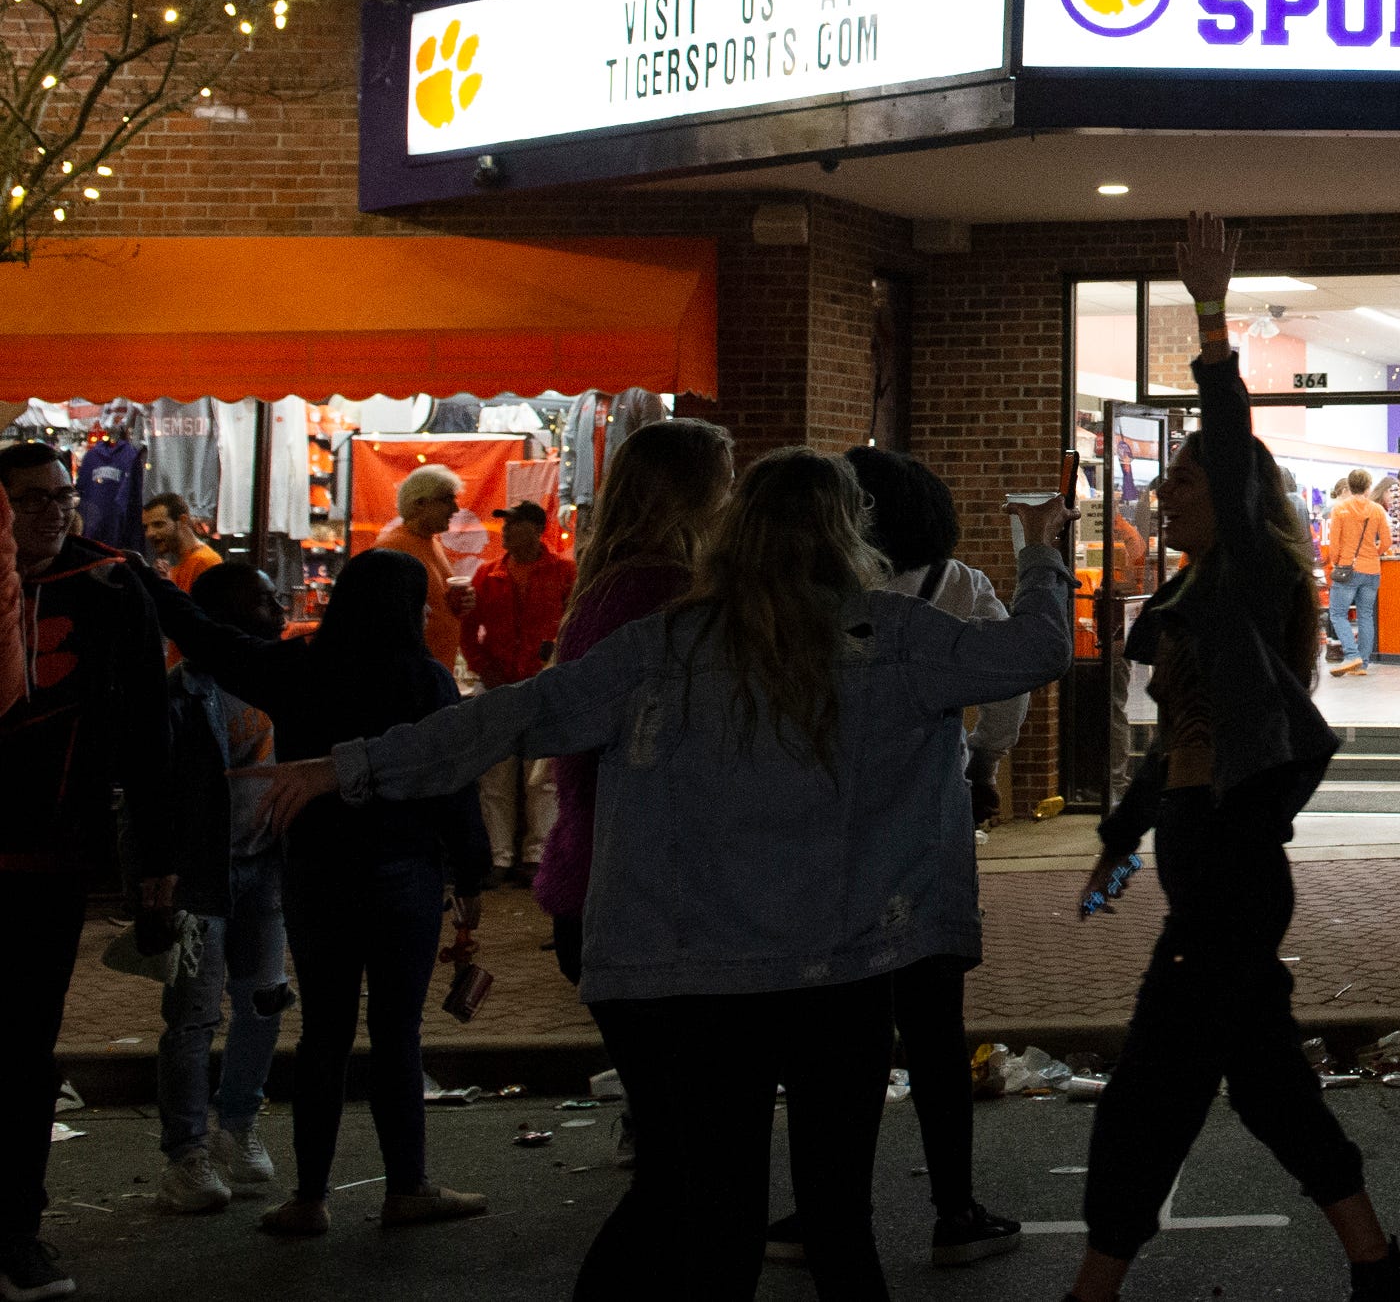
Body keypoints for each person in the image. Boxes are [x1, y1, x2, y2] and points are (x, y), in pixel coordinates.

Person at [261, 446, 1074, 1302]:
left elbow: (510, 716)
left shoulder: (666, 645)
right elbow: (1037, 649)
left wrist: (346, 767)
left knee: (715, 1217)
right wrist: (1038, 547)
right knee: (839, 1222)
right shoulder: (894, 635)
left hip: (703, 973)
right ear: (846, 533)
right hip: (846, 967)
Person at [1071, 213, 1400, 1302]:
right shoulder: (1188, 600)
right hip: (1204, 856)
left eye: (1181, 484)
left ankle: (1093, 1287)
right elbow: (1174, 746)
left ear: (1228, 494)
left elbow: (1228, 440)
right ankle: (1377, 1266)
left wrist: (1213, 318)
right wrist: (1121, 837)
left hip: (1227, 873)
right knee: (1265, 1083)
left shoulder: (1245, 590)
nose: (1163, 495)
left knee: (1151, 1092)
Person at [163, 548, 490, 1237]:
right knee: (397, 1032)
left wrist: (139, 579)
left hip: (316, 873)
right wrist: (473, 873)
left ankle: (310, 1195)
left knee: (324, 1035)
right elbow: (453, 780)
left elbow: (211, 639)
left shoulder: (300, 667)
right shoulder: (424, 679)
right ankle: (407, 1186)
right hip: (403, 870)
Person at [762, 448, 1029, 1268]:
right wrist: (983, 759)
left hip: (823, 831)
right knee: (937, 1030)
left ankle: (820, 1209)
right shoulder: (958, 584)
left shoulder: (802, 592)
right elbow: (1013, 677)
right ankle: (955, 1209)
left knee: (834, 1035)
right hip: (924, 827)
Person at [2, 445, 177, 1302]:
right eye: (30, 499)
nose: (51, 513)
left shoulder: (109, 586)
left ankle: (15, 1231)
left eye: (61, 498)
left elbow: (150, 730)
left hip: (48, 858)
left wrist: (158, 865)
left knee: (27, 1050)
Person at [530, 420, 733, 997]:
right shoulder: (665, 592)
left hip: (602, 870)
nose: (733, 499)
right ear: (690, 493)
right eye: (725, 482)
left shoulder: (613, 583)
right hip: (646, 886)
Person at [147, 563, 292, 1217]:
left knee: (263, 1000)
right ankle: (188, 1151)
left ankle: (237, 1124)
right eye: (264, 596)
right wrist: (153, 877)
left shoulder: (280, 681)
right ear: (232, 609)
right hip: (201, 875)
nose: (279, 604)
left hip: (263, 865)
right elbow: (148, 798)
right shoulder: (181, 693)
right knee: (194, 1014)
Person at [460, 501, 571, 879]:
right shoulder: (488, 574)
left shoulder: (564, 573)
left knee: (540, 776)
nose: (506, 530)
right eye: (506, 524)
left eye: (515, 523)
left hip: (542, 682)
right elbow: (468, 628)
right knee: (497, 773)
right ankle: (501, 856)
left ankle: (535, 856)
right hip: (503, 683)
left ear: (536, 528)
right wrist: (482, 666)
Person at [376, 464, 474, 671]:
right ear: (420, 503)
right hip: (409, 677)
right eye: (447, 499)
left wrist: (459, 603)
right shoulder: (393, 548)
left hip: (430, 674)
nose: (455, 509)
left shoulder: (432, 542)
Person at [1323, 469, 1390, 676]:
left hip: (1347, 568)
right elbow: (1387, 542)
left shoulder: (1340, 508)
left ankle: (1352, 655)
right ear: (1368, 486)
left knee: (1337, 613)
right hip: (1372, 570)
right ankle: (1362, 663)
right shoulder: (1377, 510)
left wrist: (1338, 561)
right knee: (1366, 616)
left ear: (1350, 486)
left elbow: (1334, 544)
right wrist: (1374, 553)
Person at [143, 493, 219, 593]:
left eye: (158, 524)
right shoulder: (179, 565)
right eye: (146, 528)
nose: (149, 533)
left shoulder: (204, 562)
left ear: (183, 521)